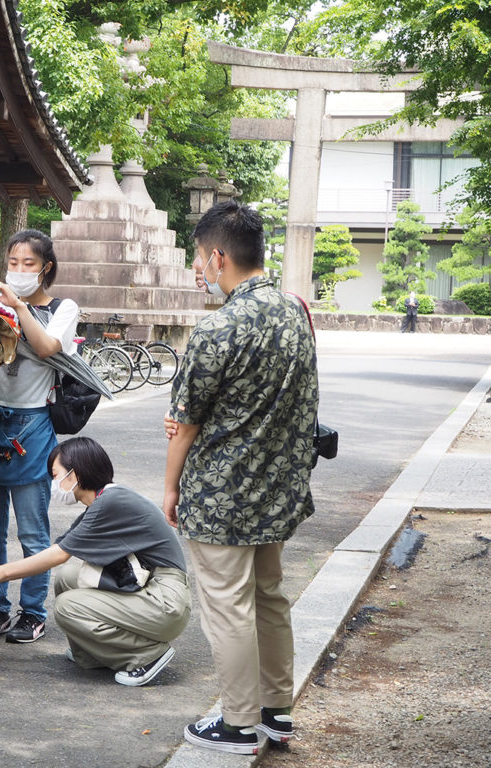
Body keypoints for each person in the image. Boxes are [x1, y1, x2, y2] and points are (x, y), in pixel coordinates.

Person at [164, 200, 318, 755]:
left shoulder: (219, 327)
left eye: (201, 260)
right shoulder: (294, 311)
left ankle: (236, 722)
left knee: (228, 604)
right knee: (269, 597)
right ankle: (276, 712)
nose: (201, 270)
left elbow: (183, 425)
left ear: (219, 256)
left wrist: (170, 489)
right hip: (277, 486)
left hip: (221, 491)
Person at [0, 437, 191, 685]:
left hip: (165, 602)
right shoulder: (103, 501)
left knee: (67, 606)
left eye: (56, 475)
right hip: (154, 590)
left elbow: (57, 554)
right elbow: (59, 549)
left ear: (76, 473)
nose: (54, 484)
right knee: (68, 578)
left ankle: (146, 656)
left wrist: (1, 573)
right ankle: (93, 654)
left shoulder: (110, 502)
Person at [0, 229, 79, 644]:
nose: (19, 271)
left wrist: (16, 304)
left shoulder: (63, 308)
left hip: (32, 424)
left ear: (46, 268)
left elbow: (49, 347)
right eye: (13, 263)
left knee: (33, 531)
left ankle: (32, 612)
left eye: (29, 264)